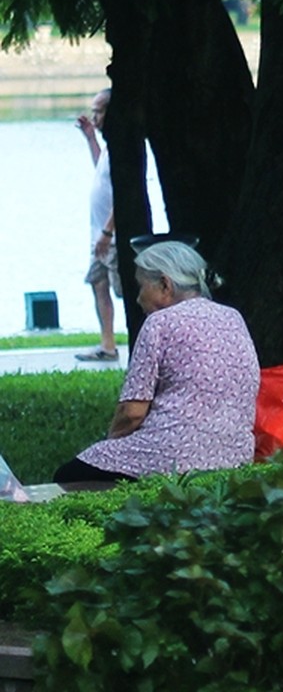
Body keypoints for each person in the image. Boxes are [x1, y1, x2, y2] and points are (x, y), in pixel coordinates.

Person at [52, 242, 260, 483]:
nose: (139, 298)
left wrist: (109, 446)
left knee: (67, 476)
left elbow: (132, 413)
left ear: (165, 284)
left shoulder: (160, 323)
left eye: (141, 287)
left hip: (173, 456)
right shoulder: (233, 317)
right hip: (235, 456)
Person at [75, 88, 120, 362]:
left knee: (128, 291)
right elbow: (101, 173)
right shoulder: (108, 150)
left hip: (109, 237)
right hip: (99, 237)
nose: (95, 116)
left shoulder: (122, 149)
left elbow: (124, 196)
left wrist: (107, 231)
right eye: (93, 111)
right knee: (98, 284)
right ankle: (108, 345)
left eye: (100, 111)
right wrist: (90, 138)